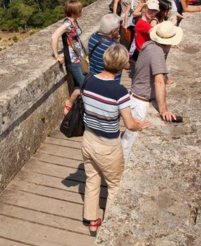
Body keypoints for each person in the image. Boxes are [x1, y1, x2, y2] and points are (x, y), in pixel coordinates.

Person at [77, 44, 151, 234]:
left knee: (92, 178)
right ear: (121, 65)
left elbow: (77, 93)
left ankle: (91, 219)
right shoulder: (119, 92)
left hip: (88, 139)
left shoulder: (88, 80)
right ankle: (111, 225)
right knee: (114, 184)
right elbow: (129, 124)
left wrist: (68, 104)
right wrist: (140, 124)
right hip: (108, 145)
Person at [122, 21, 183, 158]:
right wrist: (163, 109)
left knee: (128, 139)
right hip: (140, 101)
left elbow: (151, 70)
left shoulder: (149, 45)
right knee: (129, 142)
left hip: (135, 96)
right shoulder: (157, 52)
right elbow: (159, 82)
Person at [50, 0, 87, 93]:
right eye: (80, 9)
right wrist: (57, 55)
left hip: (79, 57)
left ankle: (72, 102)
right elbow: (54, 37)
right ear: (73, 12)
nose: (82, 11)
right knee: (84, 85)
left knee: (83, 83)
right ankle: (70, 103)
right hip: (73, 60)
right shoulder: (67, 24)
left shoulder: (74, 21)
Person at [88, 13, 122, 82]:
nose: (119, 30)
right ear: (113, 31)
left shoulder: (93, 37)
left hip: (94, 77)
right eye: (118, 28)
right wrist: (117, 44)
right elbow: (124, 64)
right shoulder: (112, 47)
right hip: (109, 81)